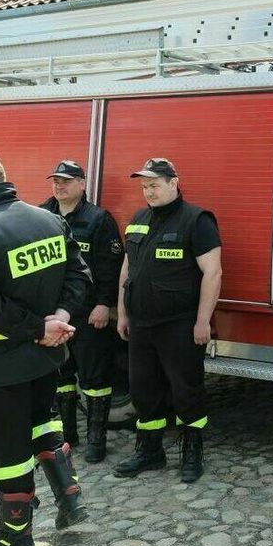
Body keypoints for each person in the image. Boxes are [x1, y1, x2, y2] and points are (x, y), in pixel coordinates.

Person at [0, 151, 91, 546]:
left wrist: (39, 328)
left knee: (6, 446)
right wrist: (59, 317)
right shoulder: (49, 220)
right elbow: (79, 275)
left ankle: (14, 539)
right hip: (48, 355)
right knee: (41, 422)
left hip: (2, 363)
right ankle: (70, 499)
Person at [113, 158, 222, 483]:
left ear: (173, 183)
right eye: (144, 186)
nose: (149, 192)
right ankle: (149, 452)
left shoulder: (197, 220)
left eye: (154, 185)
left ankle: (192, 454)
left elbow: (213, 273)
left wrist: (202, 321)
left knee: (186, 391)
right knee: (144, 391)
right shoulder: (138, 219)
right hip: (141, 324)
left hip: (179, 324)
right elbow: (127, 269)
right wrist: (123, 313)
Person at [39, 160, 124, 463]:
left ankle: (96, 442)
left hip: (88, 313)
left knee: (95, 378)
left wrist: (104, 304)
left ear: (82, 184)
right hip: (53, 313)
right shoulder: (40, 216)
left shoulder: (98, 219)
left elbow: (111, 266)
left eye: (66, 181)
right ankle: (68, 436)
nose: (59, 186)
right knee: (61, 375)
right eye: (56, 181)